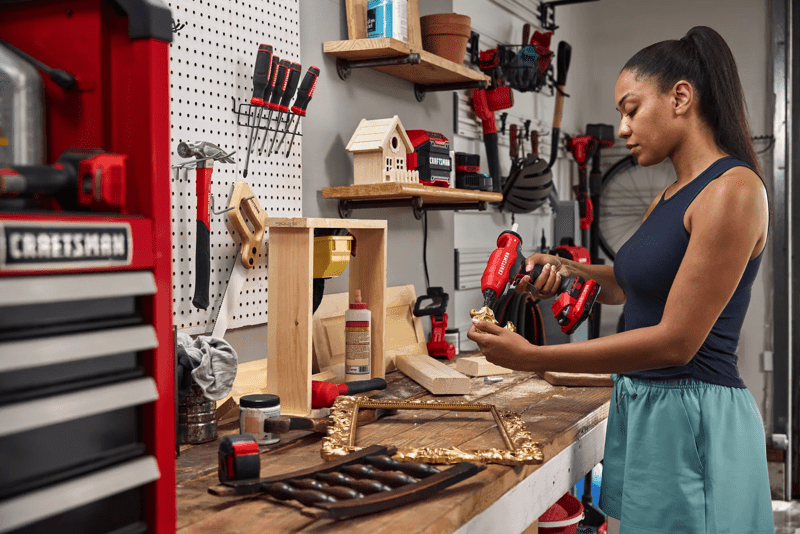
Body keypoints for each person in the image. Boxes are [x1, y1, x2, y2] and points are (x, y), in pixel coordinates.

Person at [468, 26, 773, 534]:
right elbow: (632, 285)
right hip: (644, 407)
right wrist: (567, 271)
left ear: (680, 97)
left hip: (691, 417)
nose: (623, 128)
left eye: (631, 109)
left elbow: (676, 341)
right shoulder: (672, 195)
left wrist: (534, 358)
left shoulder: (733, 190)